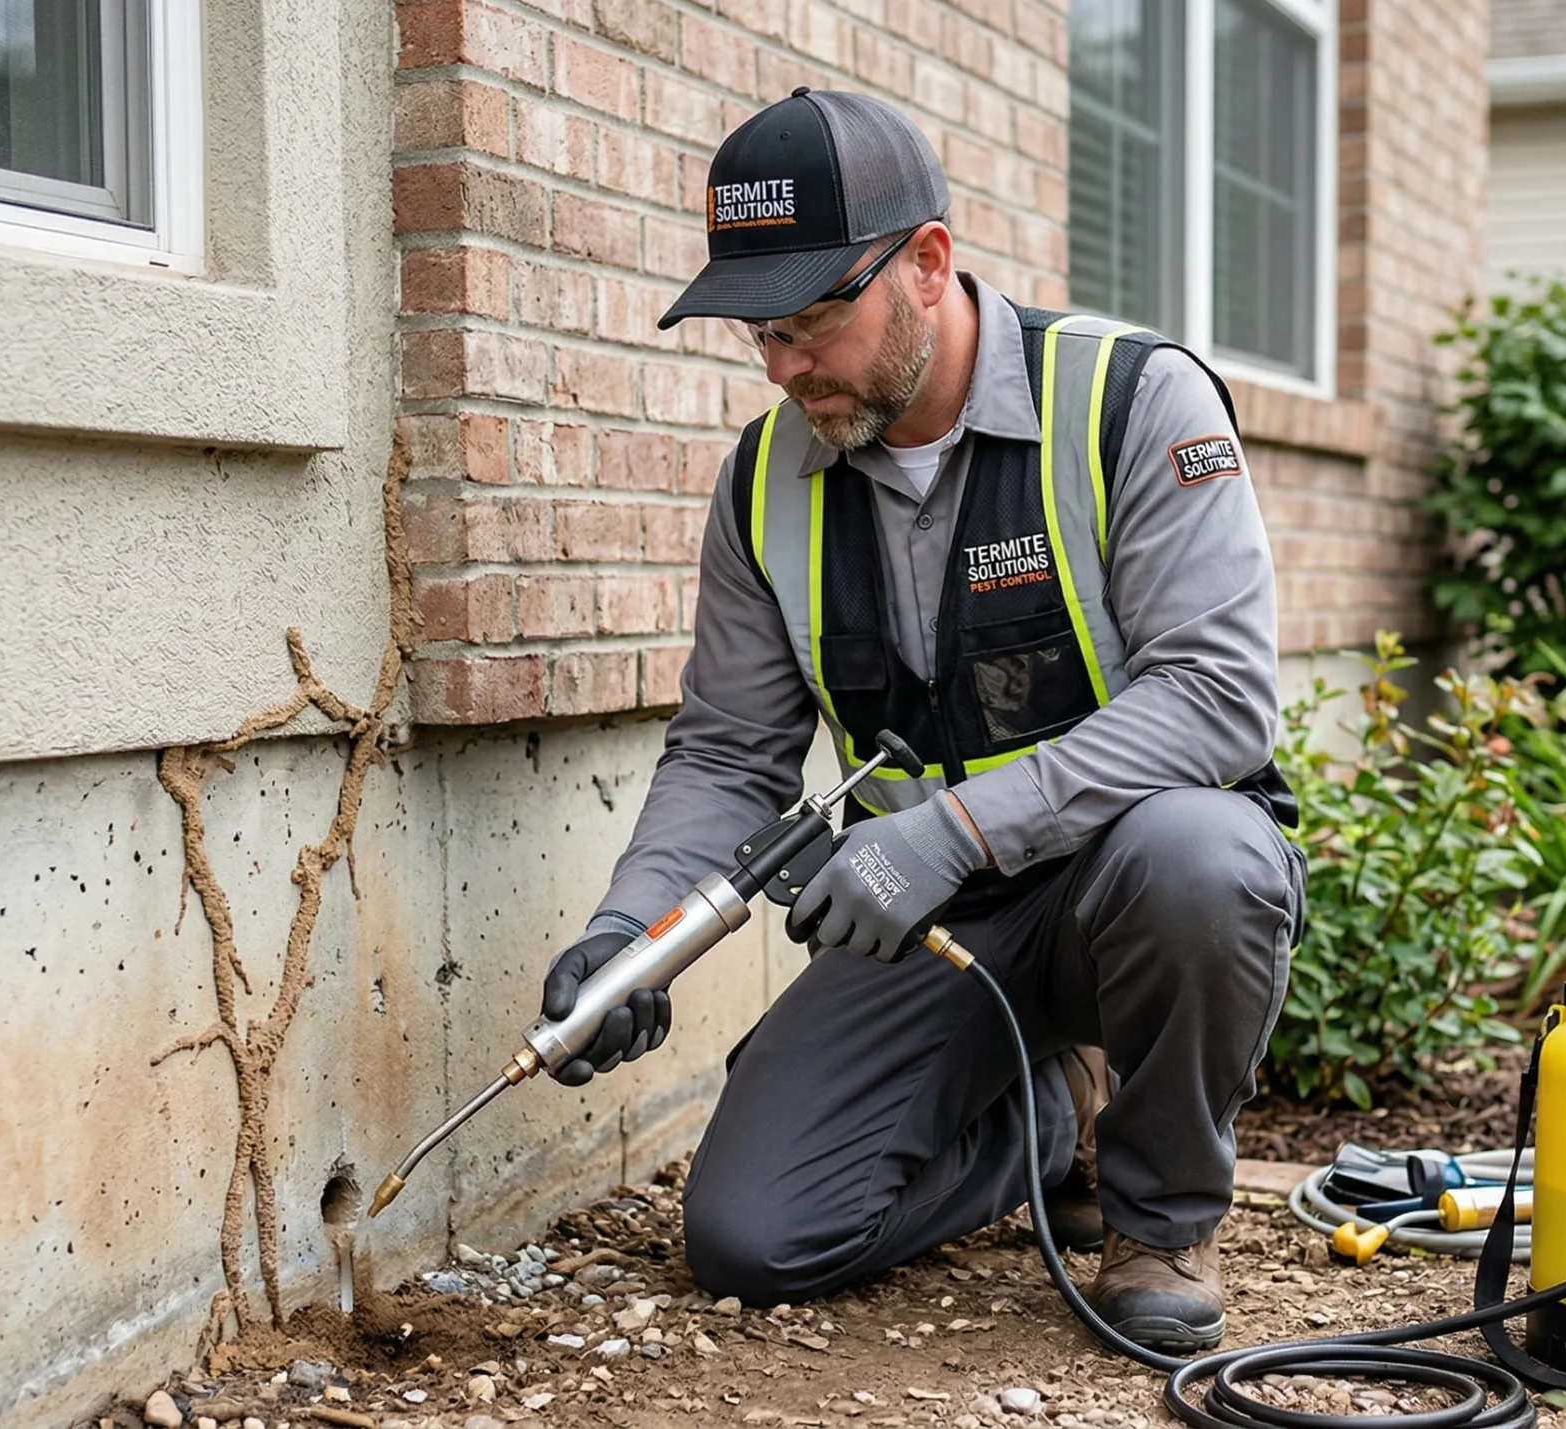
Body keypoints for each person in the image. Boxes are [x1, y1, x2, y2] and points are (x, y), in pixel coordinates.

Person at [537, 86, 1304, 1353]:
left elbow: (1217, 696)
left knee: (1202, 858)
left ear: (928, 264)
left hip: (1125, 881)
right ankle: (1047, 1110)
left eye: (809, 322)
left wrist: (952, 829)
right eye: (757, 334)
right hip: (937, 928)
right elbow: (730, 750)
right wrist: (634, 933)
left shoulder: (1128, 401)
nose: (782, 367)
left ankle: (1156, 1220)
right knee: (752, 1238)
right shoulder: (763, 483)